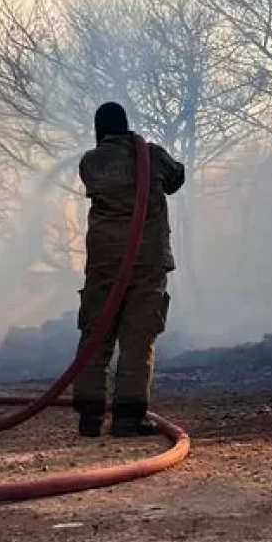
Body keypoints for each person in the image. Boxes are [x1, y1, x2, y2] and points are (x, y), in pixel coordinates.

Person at [72, 101, 185, 437]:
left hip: (104, 261)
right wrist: (147, 148)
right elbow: (176, 177)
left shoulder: (90, 163)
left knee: (96, 333)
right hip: (146, 259)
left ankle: (89, 417)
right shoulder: (149, 156)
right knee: (138, 336)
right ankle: (127, 417)